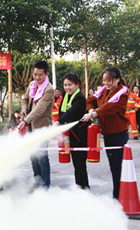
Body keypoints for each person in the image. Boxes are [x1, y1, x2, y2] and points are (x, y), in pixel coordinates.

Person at [82, 67, 129, 199]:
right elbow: (90, 100)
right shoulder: (103, 91)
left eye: (109, 80)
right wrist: (91, 110)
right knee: (113, 166)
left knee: (117, 166)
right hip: (107, 133)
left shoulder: (122, 94)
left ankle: (119, 196)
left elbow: (110, 107)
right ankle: (118, 193)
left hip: (118, 134)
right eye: (104, 80)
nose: (106, 83)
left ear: (117, 79)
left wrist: (95, 113)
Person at [19, 60, 54, 188]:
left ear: (46, 74)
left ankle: (45, 186)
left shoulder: (49, 89)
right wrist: (23, 109)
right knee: (33, 157)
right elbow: (25, 99)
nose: (37, 78)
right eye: (35, 74)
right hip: (30, 127)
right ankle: (37, 182)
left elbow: (39, 109)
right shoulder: (32, 85)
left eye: (40, 75)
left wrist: (25, 120)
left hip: (42, 128)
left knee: (42, 158)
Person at [53, 73, 89, 189]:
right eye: (65, 85)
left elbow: (71, 112)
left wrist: (59, 122)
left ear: (77, 84)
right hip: (71, 135)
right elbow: (62, 111)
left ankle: (84, 188)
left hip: (80, 136)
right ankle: (80, 186)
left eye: (70, 85)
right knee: (76, 164)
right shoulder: (65, 96)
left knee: (80, 164)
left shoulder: (79, 98)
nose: (67, 87)